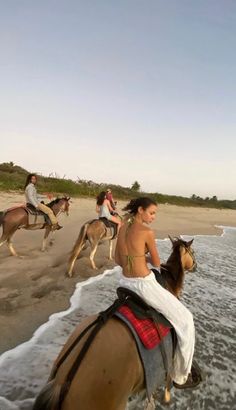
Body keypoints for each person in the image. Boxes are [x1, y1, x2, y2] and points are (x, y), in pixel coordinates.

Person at [115, 197, 201, 389]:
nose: (153, 217)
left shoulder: (122, 228)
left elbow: (118, 259)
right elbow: (155, 262)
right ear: (140, 210)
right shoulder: (146, 231)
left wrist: (136, 257)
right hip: (143, 285)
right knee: (186, 320)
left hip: (123, 281)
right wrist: (144, 257)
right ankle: (180, 376)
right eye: (152, 213)